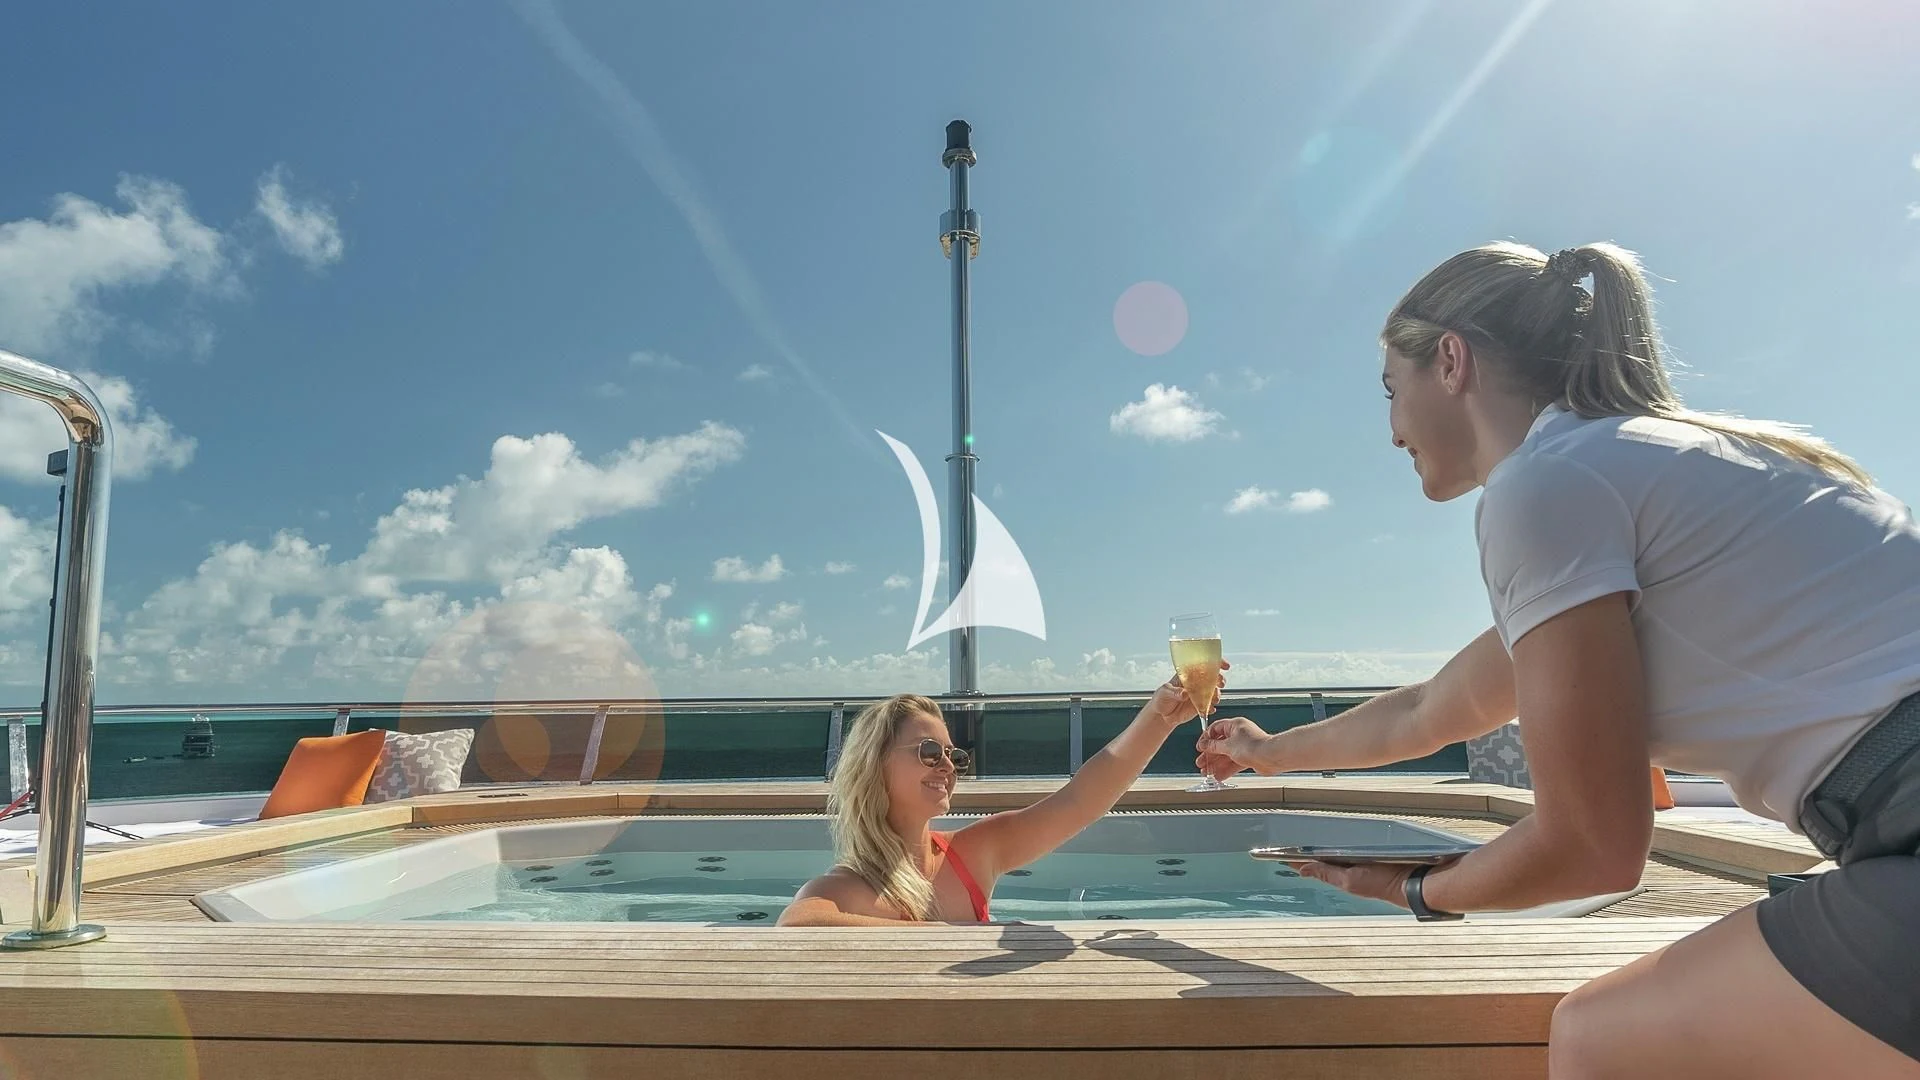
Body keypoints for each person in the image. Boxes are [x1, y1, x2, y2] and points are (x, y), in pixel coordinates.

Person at [1196, 241, 1920, 1077]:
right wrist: (1264, 753)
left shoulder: (1544, 485)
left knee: (1601, 1037)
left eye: (1392, 390)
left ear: (1452, 362)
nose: (1391, 429)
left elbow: (1593, 846)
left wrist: (1416, 890)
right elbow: (1431, 710)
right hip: (1890, 829)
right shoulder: (1644, 463)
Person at [779, 662, 1228, 926]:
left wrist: (1160, 718)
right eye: (930, 751)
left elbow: (1081, 800)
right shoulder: (848, 887)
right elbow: (798, 923)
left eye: (954, 756)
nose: (947, 767)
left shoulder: (972, 853)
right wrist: (961, 938)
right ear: (874, 764)